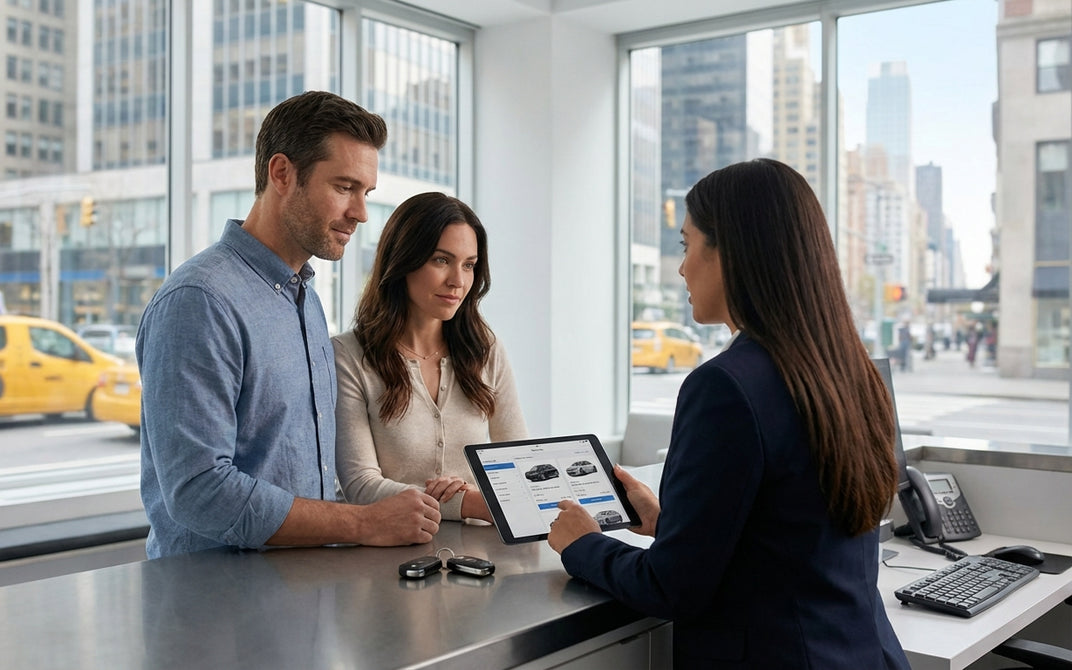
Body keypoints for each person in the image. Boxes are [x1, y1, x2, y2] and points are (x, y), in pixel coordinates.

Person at [547, 158, 909, 669]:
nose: (681, 266)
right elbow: (791, 538)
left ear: (730, 253)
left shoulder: (724, 387)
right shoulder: (854, 374)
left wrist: (582, 544)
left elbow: (671, 589)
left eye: (686, 243)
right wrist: (670, 523)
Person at [136, 91, 441, 559]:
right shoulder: (200, 301)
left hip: (298, 596)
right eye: (344, 188)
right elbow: (199, 490)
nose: (360, 212)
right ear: (282, 174)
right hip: (213, 609)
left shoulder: (304, 298)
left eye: (366, 193)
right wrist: (362, 523)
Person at [334, 192, 527, 523]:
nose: (458, 281)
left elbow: (519, 464)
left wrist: (469, 497)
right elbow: (360, 485)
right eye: (441, 260)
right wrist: (467, 503)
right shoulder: (348, 357)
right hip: (386, 558)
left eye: (469, 265)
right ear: (403, 260)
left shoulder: (487, 350)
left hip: (483, 555)